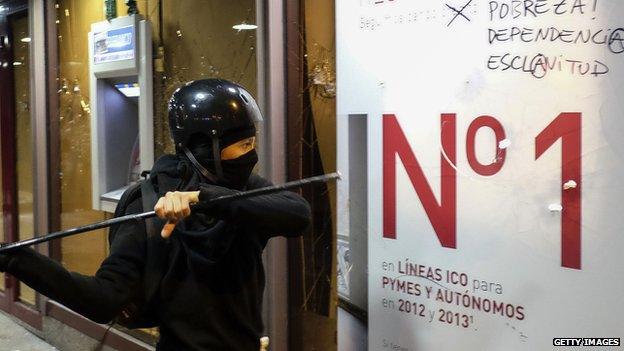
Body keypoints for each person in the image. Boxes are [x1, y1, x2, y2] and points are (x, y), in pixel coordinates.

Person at [0, 78, 311, 351]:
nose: (251, 154)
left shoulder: (243, 190)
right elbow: (102, 299)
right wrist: (16, 259)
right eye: (243, 145)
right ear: (205, 147)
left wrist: (204, 198)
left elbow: (298, 215)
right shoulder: (147, 205)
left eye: (252, 143)